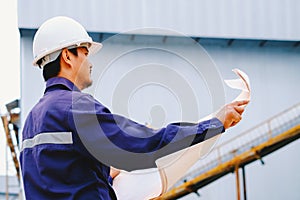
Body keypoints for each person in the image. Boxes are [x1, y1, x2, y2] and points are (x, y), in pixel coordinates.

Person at [19, 16, 249, 200]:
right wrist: (215, 123)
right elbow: (146, 142)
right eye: (85, 53)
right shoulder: (75, 108)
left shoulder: (31, 121)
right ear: (68, 56)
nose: (90, 62)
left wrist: (105, 173)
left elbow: (63, 179)